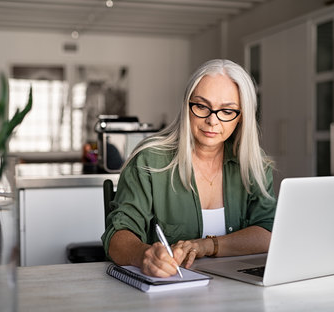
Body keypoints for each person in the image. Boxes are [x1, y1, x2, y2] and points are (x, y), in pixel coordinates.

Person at [101, 59, 277, 278]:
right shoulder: (148, 160)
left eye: (227, 111)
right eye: (202, 106)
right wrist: (142, 254)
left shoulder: (254, 164)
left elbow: (268, 232)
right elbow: (117, 236)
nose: (212, 121)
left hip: (239, 288)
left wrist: (206, 245)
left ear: (241, 117)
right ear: (187, 106)